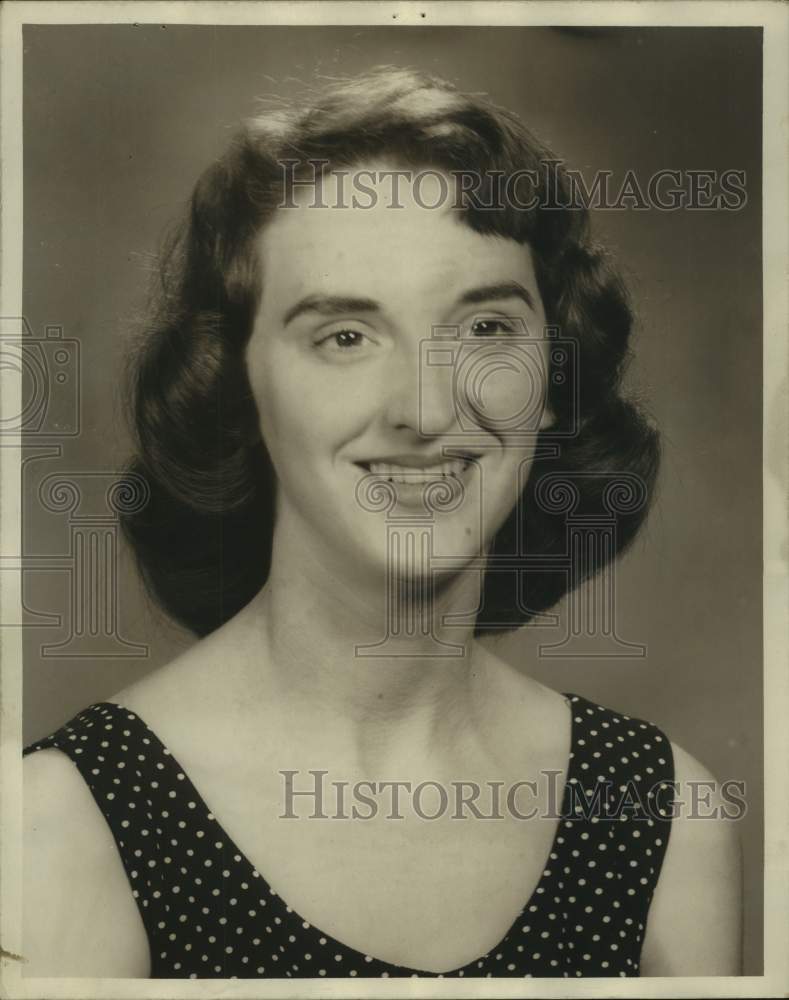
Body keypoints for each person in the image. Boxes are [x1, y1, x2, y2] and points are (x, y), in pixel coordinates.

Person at [23, 66, 741, 979]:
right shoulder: (60, 819)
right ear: (237, 393)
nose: (423, 407)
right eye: (345, 336)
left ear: (554, 381)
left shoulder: (658, 811)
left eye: (484, 329)